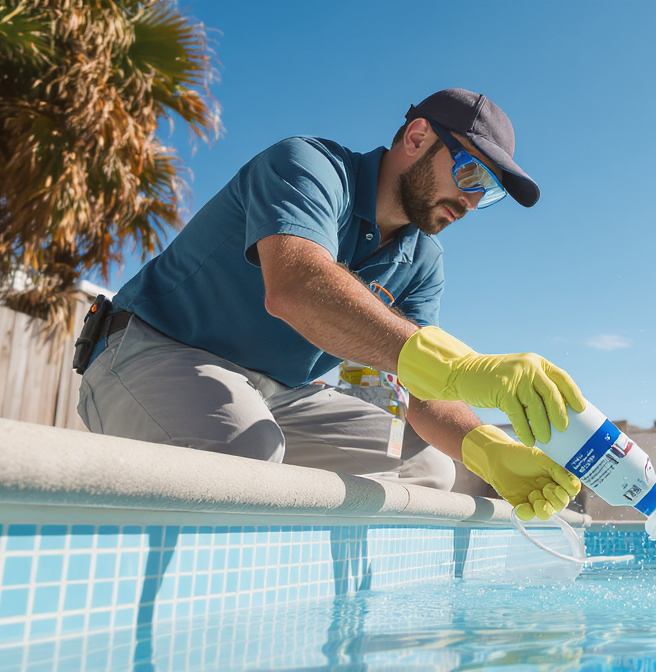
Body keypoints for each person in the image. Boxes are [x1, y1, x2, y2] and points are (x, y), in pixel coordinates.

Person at [74, 89, 582, 520]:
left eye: (487, 195)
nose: (471, 203)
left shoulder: (423, 259)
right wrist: (463, 365)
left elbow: (425, 393)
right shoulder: (307, 166)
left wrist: (488, 450)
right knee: (243, 451)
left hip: (278, 394)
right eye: (472, 175)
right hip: (153, 348)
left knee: (428, 470)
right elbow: (295, 286)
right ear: (418, 138)